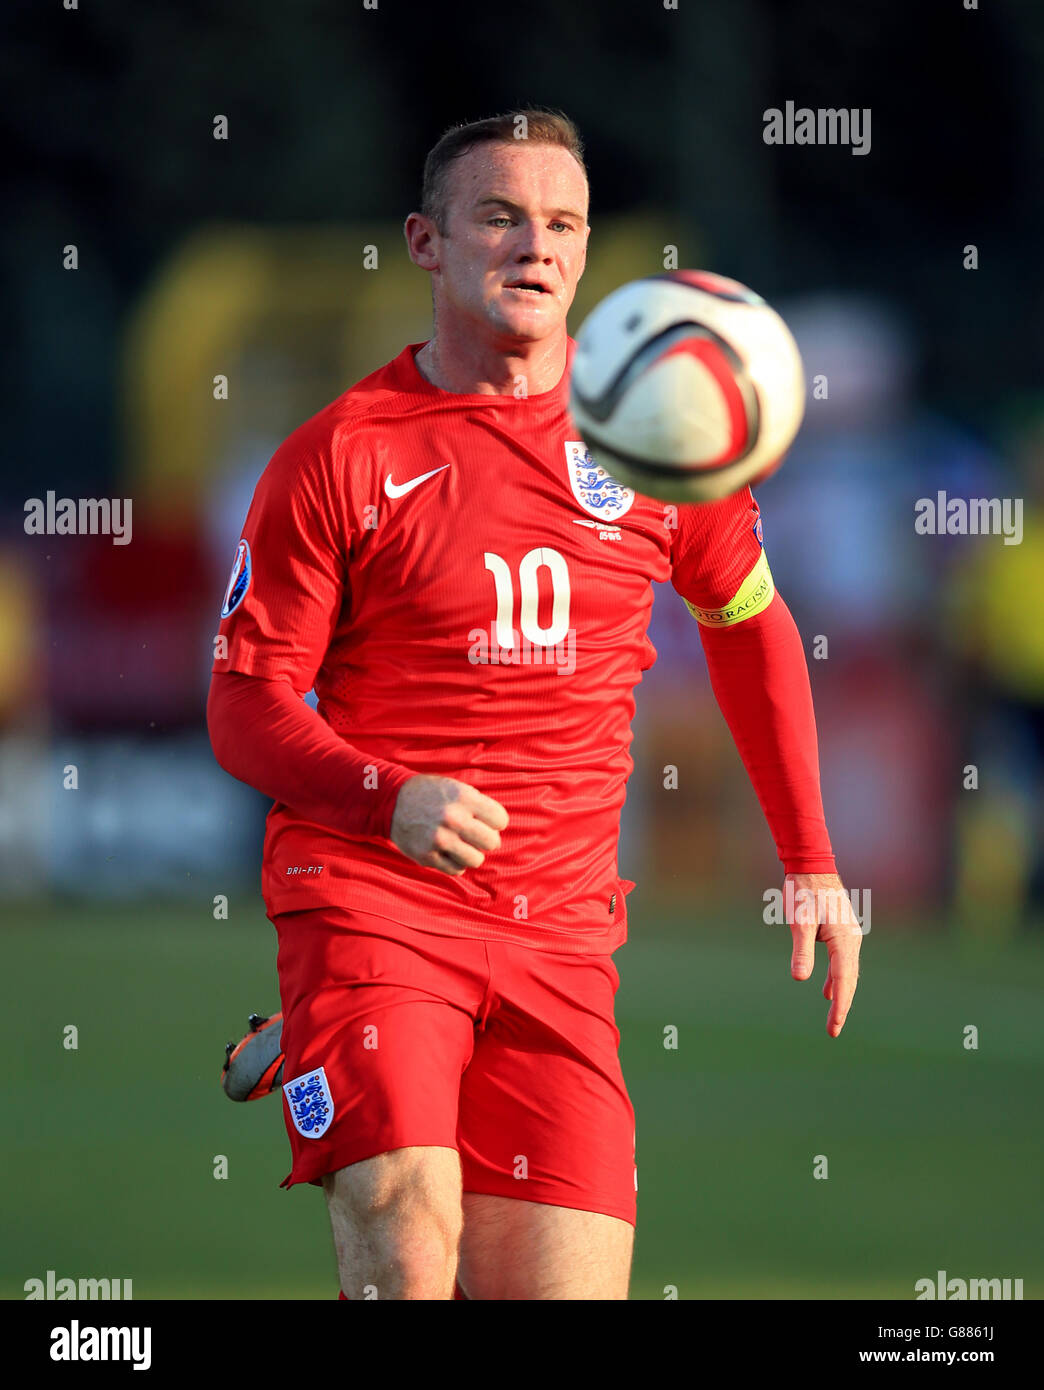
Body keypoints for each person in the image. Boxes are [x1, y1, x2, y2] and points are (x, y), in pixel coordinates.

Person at [206, 108, 861, 1302]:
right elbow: (245, 703)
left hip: (562, 936)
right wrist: (385, 794)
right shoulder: (341, 454)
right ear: (426, 243)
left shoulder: (663, 438)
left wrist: (811, 858)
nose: (535, 247)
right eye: (500, 216)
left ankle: (317, 1038)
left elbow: (749, 622)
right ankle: (342, 1021)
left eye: (562, 223)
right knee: (409, 1245)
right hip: (377, 899)